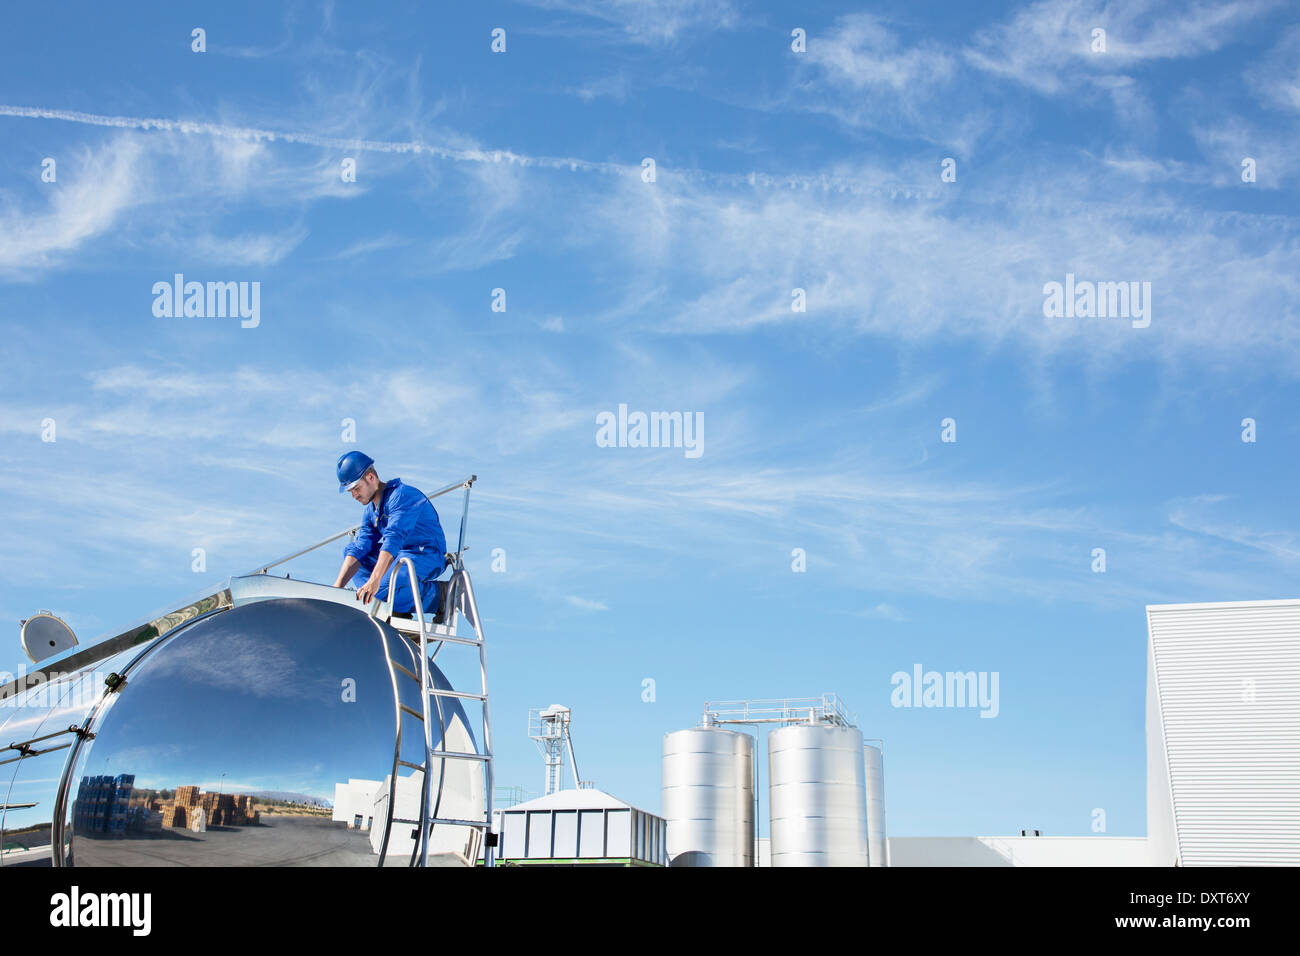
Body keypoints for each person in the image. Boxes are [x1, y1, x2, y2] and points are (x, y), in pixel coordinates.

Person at [331, 451, 447, 617]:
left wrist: (374, 582)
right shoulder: (371, 511)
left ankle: (439, 595)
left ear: (371, 478)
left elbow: (394, 538)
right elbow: (361, 547)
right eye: (350, 491)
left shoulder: (402, 496)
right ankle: (391, 605)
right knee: (353, 553)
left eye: (356, 488)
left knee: (377, 593)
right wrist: (336, 589)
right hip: (399, 555)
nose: (354, 495)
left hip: (425, 554)